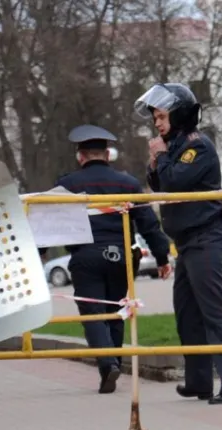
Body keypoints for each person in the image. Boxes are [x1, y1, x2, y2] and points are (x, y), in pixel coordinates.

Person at [135, 83, 222, 405]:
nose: (157, 123)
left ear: (179, 113)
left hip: (205, 237)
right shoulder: (174, 148)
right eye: (155, 118)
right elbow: (158, 184)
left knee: (214, 312)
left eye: (161, 116)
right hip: (185, 243)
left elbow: (173, 184)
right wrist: (156, 160)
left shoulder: (196, 147)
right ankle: (199, 382)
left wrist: (160, 156)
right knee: (187, 313)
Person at [42, 124, 172, 394]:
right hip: (121, 257)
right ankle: (113, 364)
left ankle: (107, 365)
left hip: (86, 258)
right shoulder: (127, 183)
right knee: (115, 313)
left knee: (92, 314)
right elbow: (148, 223)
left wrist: (37, 257)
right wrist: (162, 256)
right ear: (107, 154)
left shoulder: (67, 185)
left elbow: (47, 223)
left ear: (81, 156)